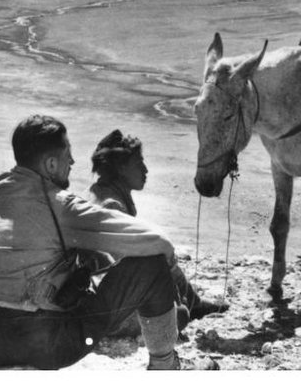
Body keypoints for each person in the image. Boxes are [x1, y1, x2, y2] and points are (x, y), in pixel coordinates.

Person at [0, 115, 217, 370]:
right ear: (50, 164)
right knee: (151, 266)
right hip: (43, 343)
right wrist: (170, 276)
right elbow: (159, 242)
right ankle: (165, 367)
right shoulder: (59, 205)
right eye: (67, 153)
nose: (72, 160)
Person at [86, 129, 230, 321]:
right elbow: (131, 265)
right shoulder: (113, 206)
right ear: (120, 168)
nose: (145, 170)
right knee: (178, 314)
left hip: (99, 290)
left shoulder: (99, 191)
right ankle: (193, 304)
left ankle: (192, 302)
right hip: (106, 303)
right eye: (139, 163)